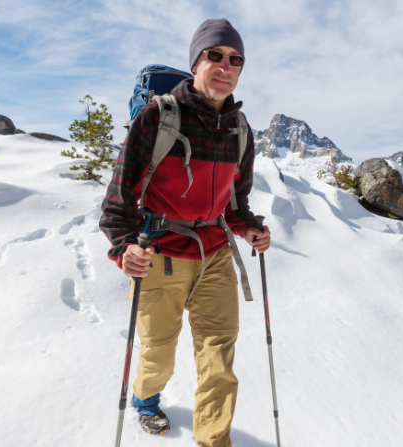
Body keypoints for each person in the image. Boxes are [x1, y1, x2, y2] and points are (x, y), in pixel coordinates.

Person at [99, 18, 271, 447]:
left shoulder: (239, 129)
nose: (225, 66)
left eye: (235, 60)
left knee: (219, 363)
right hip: (163, 256)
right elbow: (116, 205)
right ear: (196, 61)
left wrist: (248, 229)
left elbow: (236, 202)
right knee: (157, 355)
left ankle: (214, 441)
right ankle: (145, 399)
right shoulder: (158, 119)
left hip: (214, 255)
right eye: (215, 56)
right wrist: (125, 250)